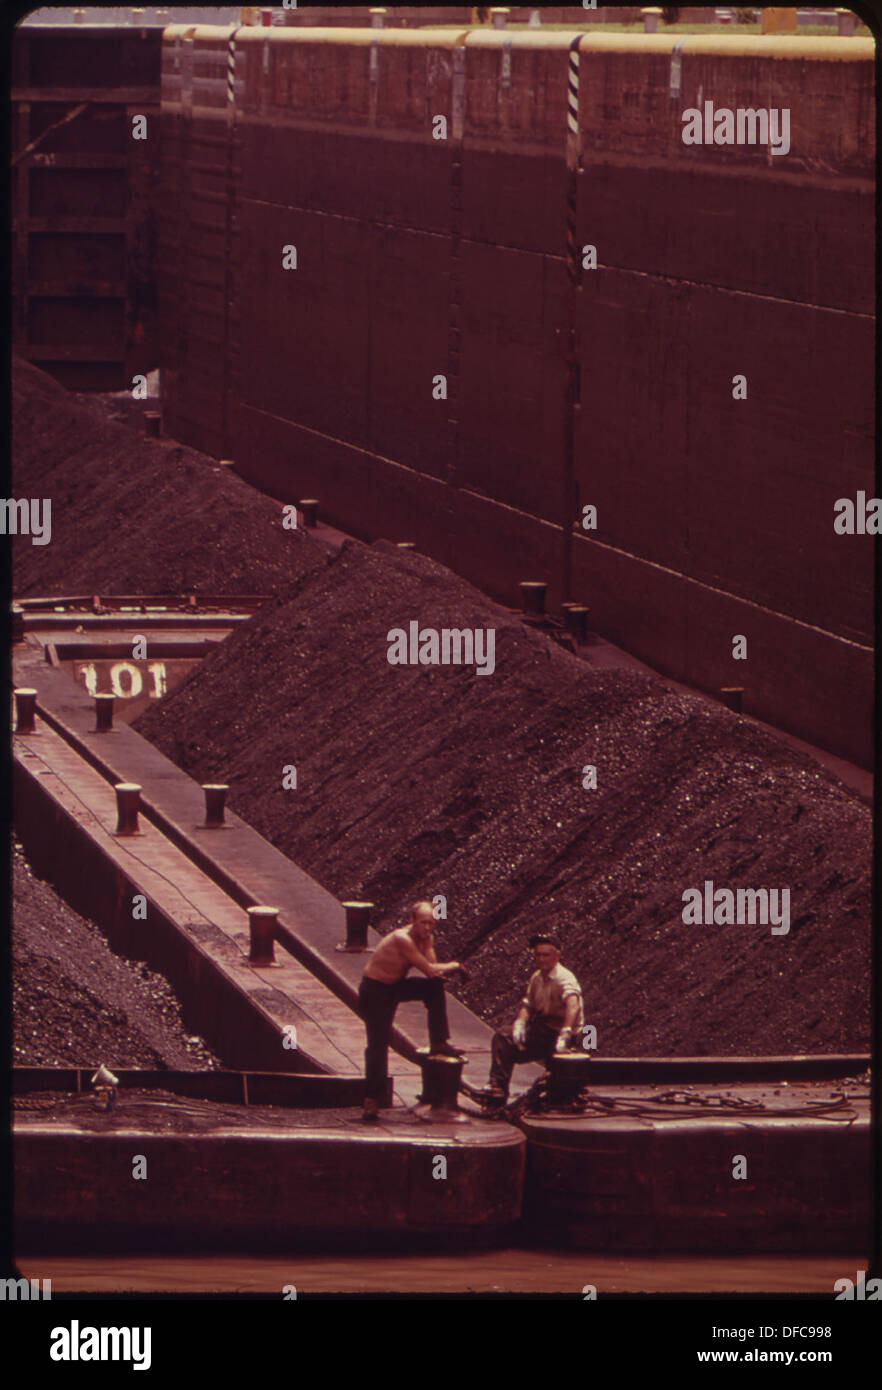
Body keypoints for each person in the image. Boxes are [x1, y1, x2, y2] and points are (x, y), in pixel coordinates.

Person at [358, 900, 464, 1122]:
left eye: (431, 924)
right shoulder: (402, 938)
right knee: (378, 1045)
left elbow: (433, 974)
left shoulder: (426, 938)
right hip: (375, 991)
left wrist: (438, 965)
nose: (427, 928)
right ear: (412, 921)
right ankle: (372, 1100)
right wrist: (455, 965)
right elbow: (430, 968)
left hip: (395, 986)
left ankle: (439, 1040)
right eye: (423, 923)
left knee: (433, 988)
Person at [480, 933, 583, 1103]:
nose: (541, 959)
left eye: (546, 955)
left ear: (557, 955)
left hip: (562, 1035)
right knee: (503, 1037)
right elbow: (528, 1006)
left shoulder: (564, 978)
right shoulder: (537, 978)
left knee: (556, 1093)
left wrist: (566, 1033)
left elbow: (573, 1005)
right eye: (538, 955)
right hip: (542, 1030)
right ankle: (497, 1088)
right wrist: (520, 1022)